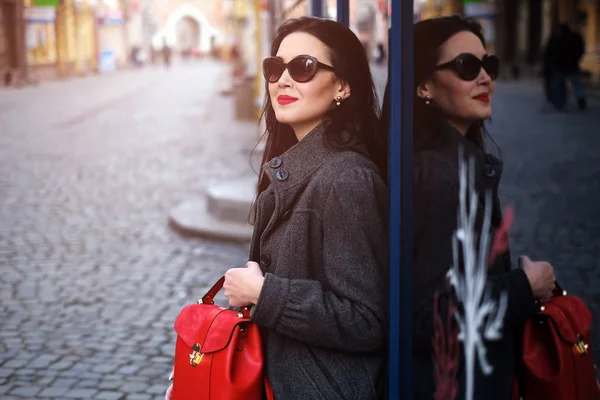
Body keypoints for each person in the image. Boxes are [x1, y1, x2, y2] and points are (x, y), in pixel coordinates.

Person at [166, 16, 388, 399]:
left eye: (303, 67)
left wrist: (265, 293)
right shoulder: (296, 167)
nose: (282, 79)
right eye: (274, 67)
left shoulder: (346, 180)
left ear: (343, 86)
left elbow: (366, 320)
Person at [381, 16, 556, 399]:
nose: (485, 78)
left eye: (488, 65)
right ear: (423, 85)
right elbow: (429, 315)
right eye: (466, 66)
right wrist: (526, 285)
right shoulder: (439, 176)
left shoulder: (451, 163)